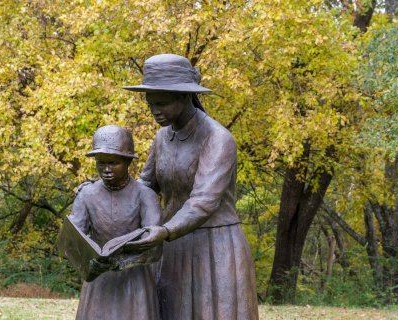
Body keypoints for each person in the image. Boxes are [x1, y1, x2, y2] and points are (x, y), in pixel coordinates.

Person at [124, 54, 259, 319]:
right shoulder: (164, 136)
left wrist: (164, 230)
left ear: (185, 96)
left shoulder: (218, 138)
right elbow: (147, 185)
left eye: (161, 103)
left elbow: (203, 201)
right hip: (172, 243)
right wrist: (110, 195)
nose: (154, 111)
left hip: (213, 245)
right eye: (150, 104)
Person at [69, 125, 162, 320]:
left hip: (135, 279)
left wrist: (123, 262)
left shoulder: (146, 196)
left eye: (113, 163)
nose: (106, 169)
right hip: (99, 280)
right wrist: (87, 262)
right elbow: (73, 239)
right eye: (101, 163)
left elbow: (155, 247)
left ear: (128, 161)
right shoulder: (86, 195)